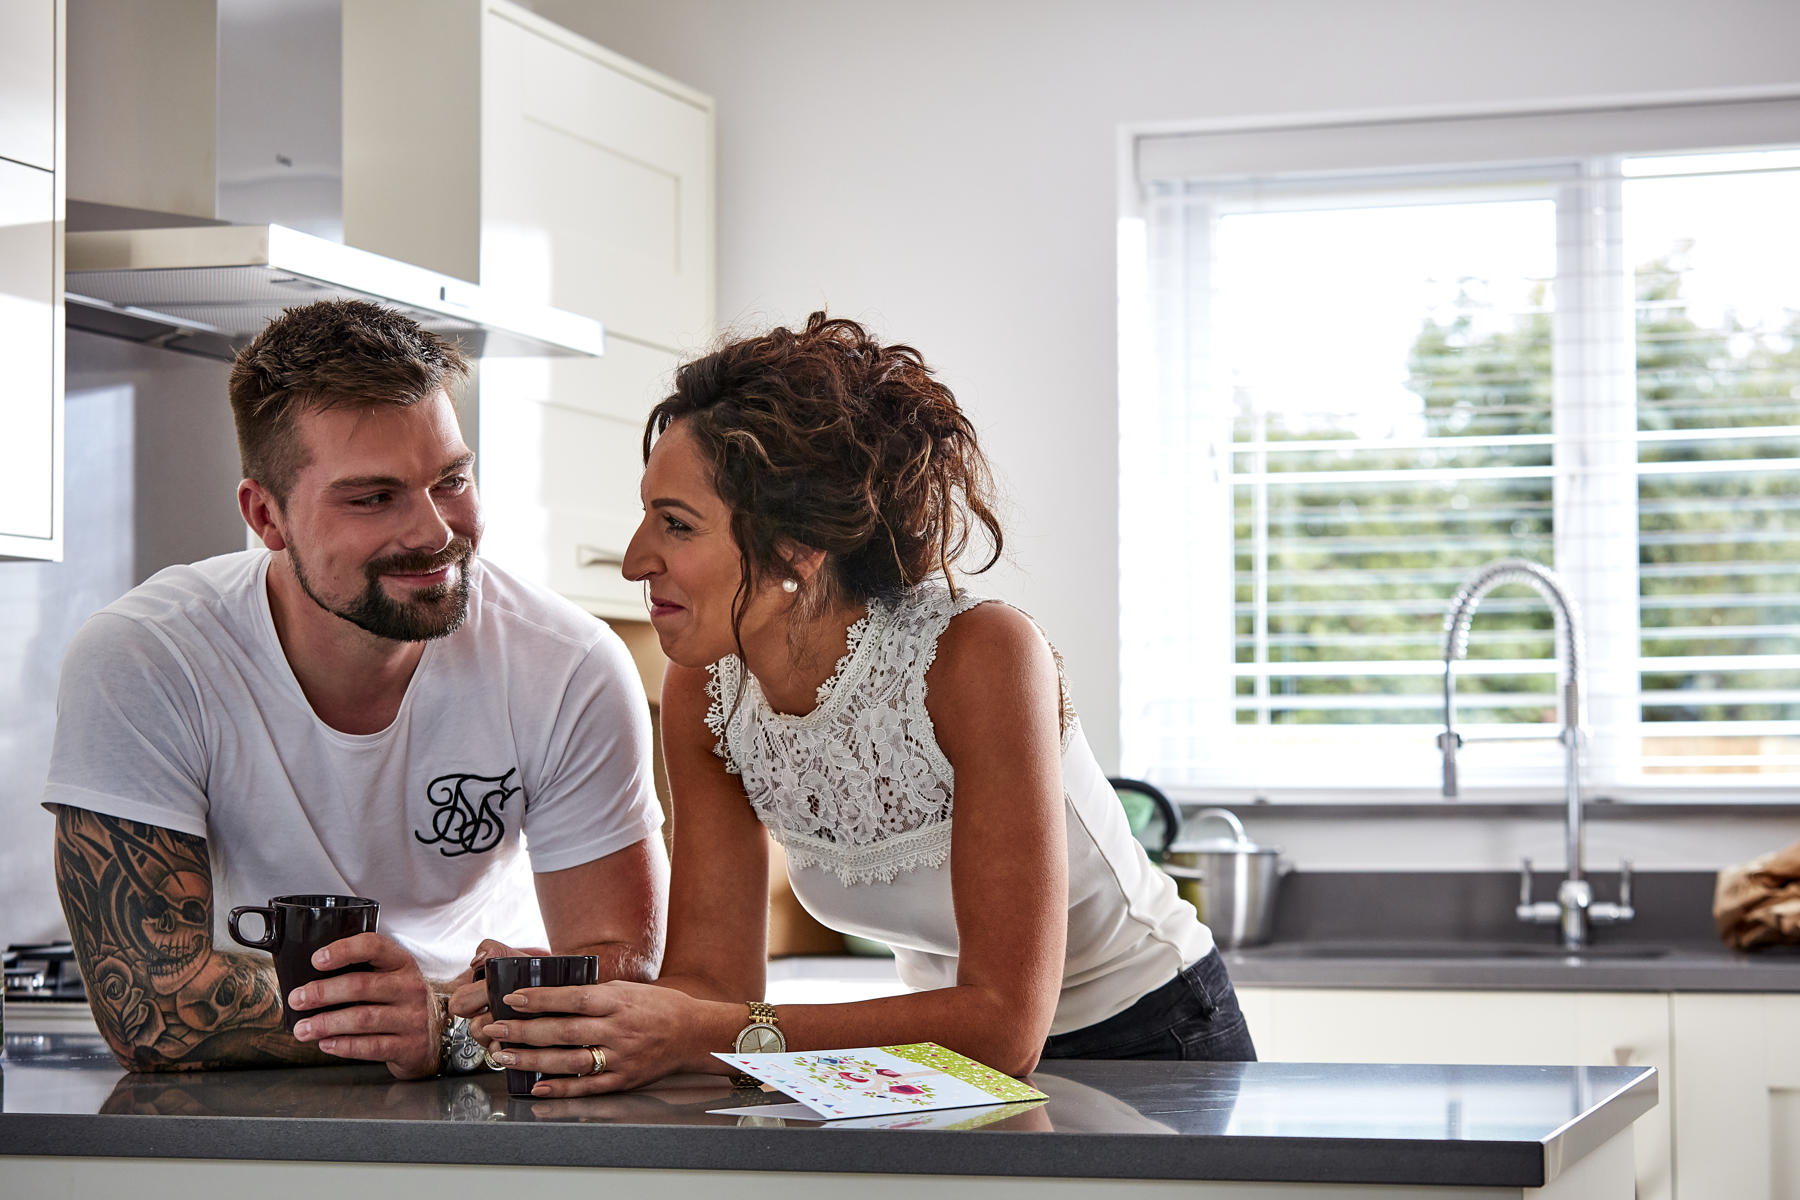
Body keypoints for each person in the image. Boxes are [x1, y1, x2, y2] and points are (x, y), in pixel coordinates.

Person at [477, 312, 1254, 1095]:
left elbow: (1004, 1026)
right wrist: (580, 1002)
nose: (637, 558)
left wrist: (708, 1036)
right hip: (941, 1057)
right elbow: (710, 982)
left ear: (796, 551)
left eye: (676, 524)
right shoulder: (706, 689)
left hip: (1156, 1038)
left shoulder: (981, 657)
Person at [44, 299, 668, 1078]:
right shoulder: (147, 659)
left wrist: (442, 1022)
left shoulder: (568, 664)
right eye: (373, 498)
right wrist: (428, 1017)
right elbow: (153, 1008)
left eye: (452, 479)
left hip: (488, 1095)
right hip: (244, 1108)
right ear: (266, 516)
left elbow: (622, 965)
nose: (435, 531)